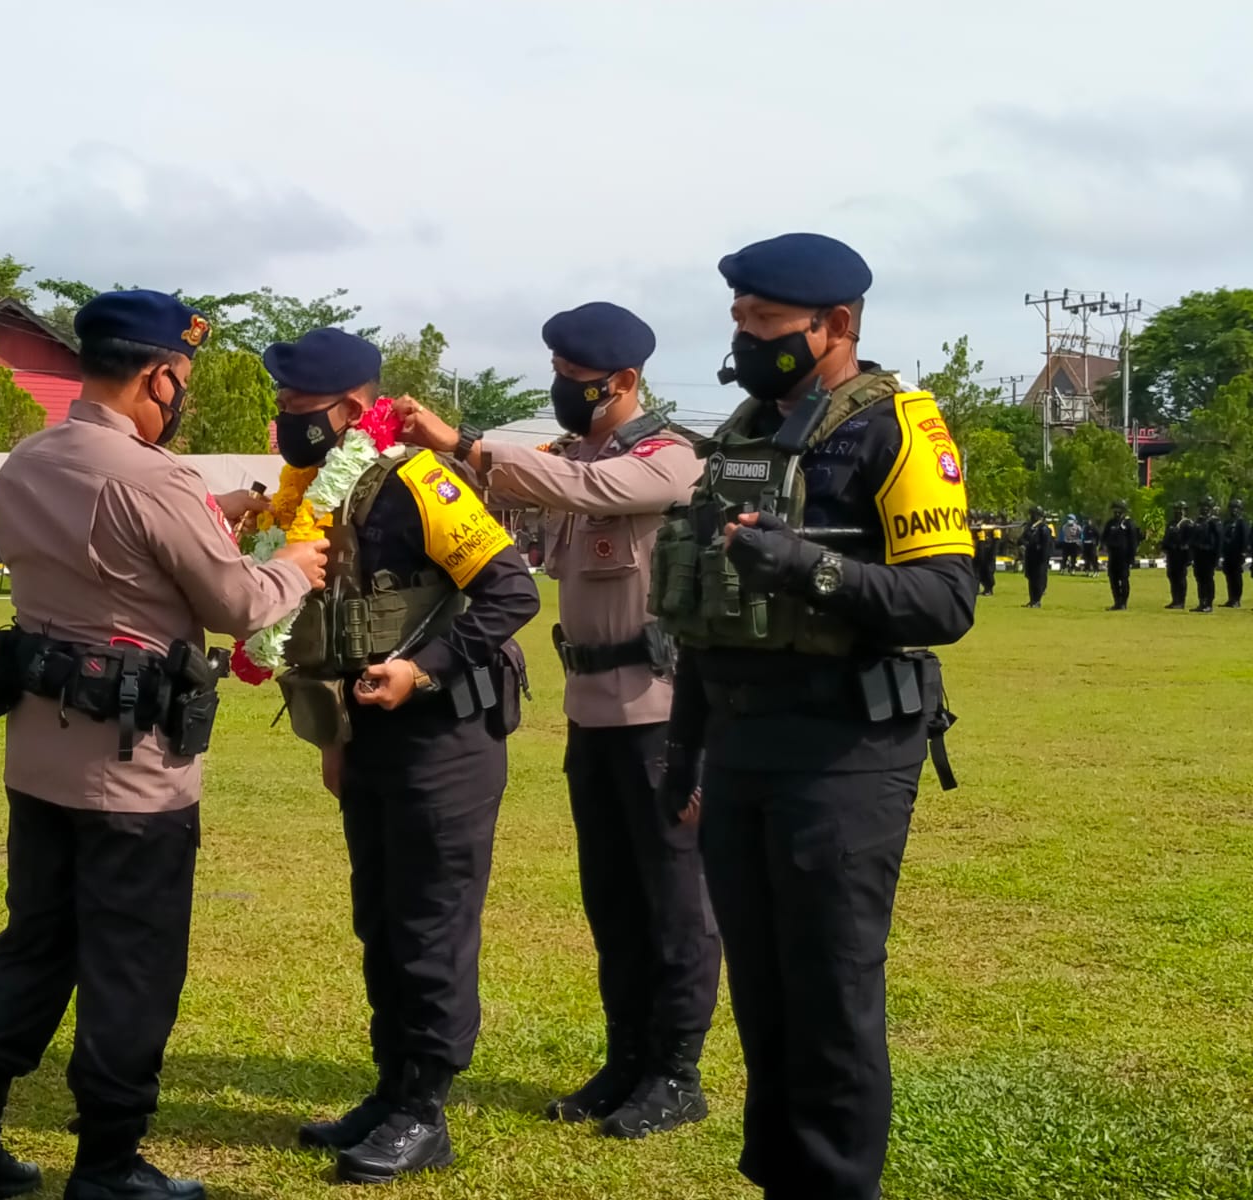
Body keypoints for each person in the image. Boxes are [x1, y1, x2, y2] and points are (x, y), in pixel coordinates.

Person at [0, 291, 327, 1200]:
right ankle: (107, 1163)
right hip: (133, 766)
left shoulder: (28, 460)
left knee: (34, 942)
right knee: (132, 960)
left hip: (40, 749)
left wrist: (212, 509)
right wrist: (293, 567)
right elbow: (238, 604)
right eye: (180, 381)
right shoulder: (155, 479)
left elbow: (108, 547)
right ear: (161, 376)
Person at [650, 234, 975, 1200]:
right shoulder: (747, 431)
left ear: (834, 327)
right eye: (741, 321)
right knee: (763, 987)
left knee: (829, 991)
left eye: (764, 324)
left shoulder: (898, 428)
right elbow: (708, 610)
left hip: (846, 746)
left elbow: (947, 600)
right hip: (742, 740)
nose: (745, 340)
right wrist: (685, 754)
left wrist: (810, 568)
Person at [393, 302, 721, 1140]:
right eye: (560, 377)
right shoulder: (564, 459)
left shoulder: (668, 458)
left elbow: (586, 489)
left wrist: (463, 442)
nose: (563, 392)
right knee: (611, 899)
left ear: (624, 382)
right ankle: (626, 1059)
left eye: (577, 382)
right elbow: (518, 498)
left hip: (661, 715)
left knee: (673, 899)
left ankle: (677, 1073)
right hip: (592, 713)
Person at [264, 328, 539, 1184]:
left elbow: (511, 590)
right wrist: (336, 739)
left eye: (296, 407)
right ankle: (391, 1091)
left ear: (350, 409)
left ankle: (426, 1110)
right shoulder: (319, 493)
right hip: (371, 736)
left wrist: (423, 669)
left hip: (444, 736)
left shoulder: (421, 481)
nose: (284, 421)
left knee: (429, 922)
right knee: (380, 920)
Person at [1100, 500, 1139, 611]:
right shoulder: (1111, 523)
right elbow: (1104, 537)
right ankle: (1117, 602)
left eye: (1119, 511)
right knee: (1113, 579)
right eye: (1115, 511)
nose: (1116, 514)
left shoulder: (1128, 524)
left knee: (1124, 579)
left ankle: (1123, 603)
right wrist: (1103, 546)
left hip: (1124, 557)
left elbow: (1133, 542)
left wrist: (1131, 557)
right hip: (1113, 556)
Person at [1191, 495, 1222, 613]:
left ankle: (1209, 603)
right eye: (1202, 507)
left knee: (1208, 579)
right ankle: (1201, 601)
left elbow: (1218, 540)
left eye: (1207, 507)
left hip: (1209, 555)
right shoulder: (1199, 521)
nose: (1204, 509)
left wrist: (1217, 557)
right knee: (1200, 579)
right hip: (1199, 555)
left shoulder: (1214, 522)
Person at [1163, 501, 1193, 609]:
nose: (1178, 512)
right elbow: (1166, 538)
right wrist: (1165, 547)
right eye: (1176, 509)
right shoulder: (1171, 524)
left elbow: (1190, 540)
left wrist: (1188, 554)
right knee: (1172, 577)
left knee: (1180, 579)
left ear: (1185, 511)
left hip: (1182, 556)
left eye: (1180, 509)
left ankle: (1181, 601)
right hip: (1172, 555)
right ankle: (1175, 600)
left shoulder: (1187, 524)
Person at [1021, 507, 1053, 608]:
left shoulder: (1044, 529)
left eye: (1033, 515)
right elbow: (1021, 539)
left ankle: (1037, 601)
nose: (1031, 517)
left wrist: (1044, 558)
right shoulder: (1030, 527)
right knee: (1031, 579)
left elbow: (1046, 546)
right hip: (1030, 557)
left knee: (1038, 579)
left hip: (1039, 559)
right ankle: (1032, 600)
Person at [1221, 498, 1248, 608]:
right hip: (1228, 554)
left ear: (1240, 510)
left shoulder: (1242, 523)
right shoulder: (1227, 522)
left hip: (1237, 554)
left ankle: (1236, 599)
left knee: (1236, 577)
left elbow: (1245, 539)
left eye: (1236, 508)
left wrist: (1244, 552)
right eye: (1232, 508)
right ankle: (1231, 598)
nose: (1234, 510)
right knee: (1229, 577)